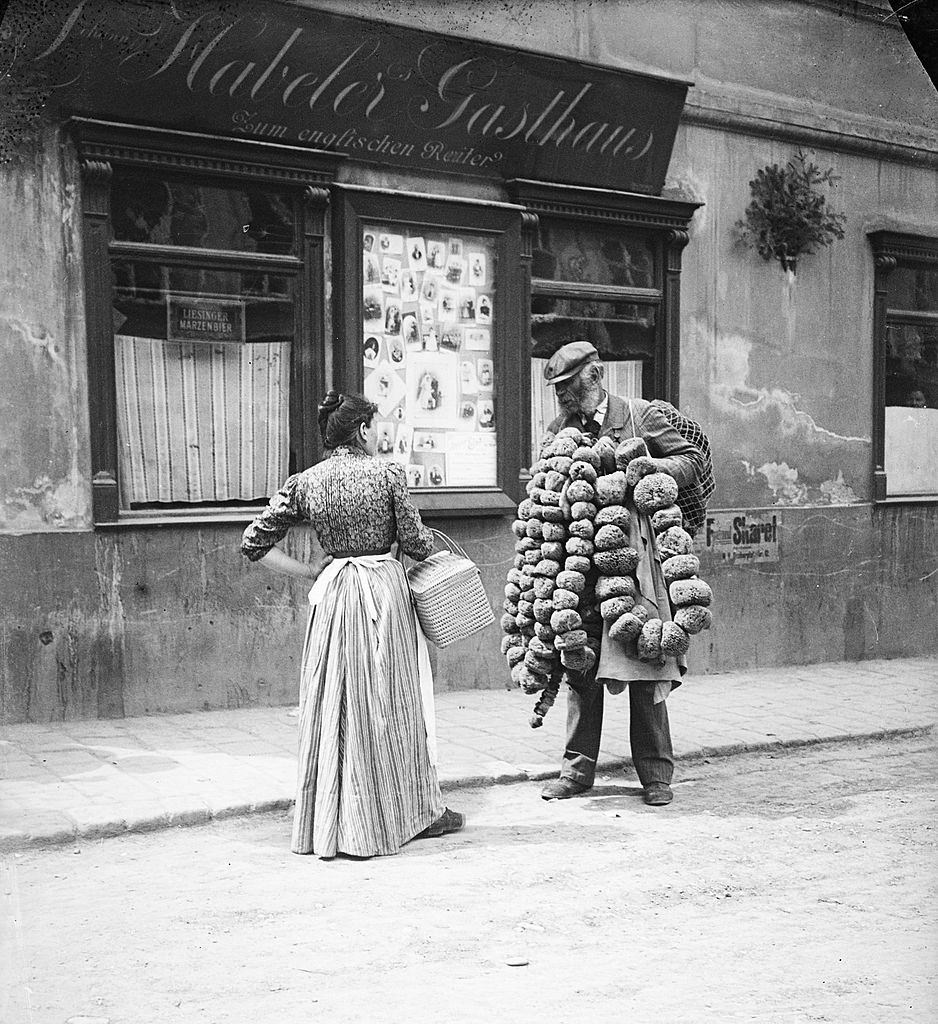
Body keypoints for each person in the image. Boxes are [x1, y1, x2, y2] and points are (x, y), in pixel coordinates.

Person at [241, 391, 463, 857]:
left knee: (338, 705)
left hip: (336, 596)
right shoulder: (387, 475)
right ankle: (411, 811)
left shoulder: (305, 482)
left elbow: (253, 542)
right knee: (393, 702)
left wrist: (310, 571)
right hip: (383, 595)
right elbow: (418, 544)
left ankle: (336, 819)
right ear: (362, 431)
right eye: (374, 427)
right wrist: (426, 546)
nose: (376, 434)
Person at [538, 340, 708, 807]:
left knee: (646, 660)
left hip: (637, 563)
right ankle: (576, 772)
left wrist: (653, 466)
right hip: (580, 565)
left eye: (569, 386)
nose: (562, 397)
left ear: (595, 377)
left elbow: (691, 460)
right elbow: (544, 487)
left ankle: (655, 775)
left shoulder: (640, 415)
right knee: (580, 664)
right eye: (557, 390)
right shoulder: (558, 430)